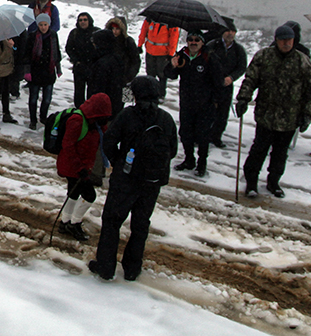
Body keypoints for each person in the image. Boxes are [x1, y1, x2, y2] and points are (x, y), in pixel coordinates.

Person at [90, 76, 177, 282]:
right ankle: (132, 268)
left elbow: (109, 142)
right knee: (140, 224)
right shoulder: (166, 119)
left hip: (126, 178)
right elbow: (172, 150)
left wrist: (119, 162)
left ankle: (105, 266)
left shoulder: (127, 115)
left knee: (112, 221)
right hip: (152, 181)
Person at [236, 25, 311, 198]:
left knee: (280, 154)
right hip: (266, 115)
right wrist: (243, 98)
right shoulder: (264, 56)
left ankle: (273, 182)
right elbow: (250, 79)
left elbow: (310, 91)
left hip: (290, 118)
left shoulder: (302, 61)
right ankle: (251, 182)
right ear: (276, 40)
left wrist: (307, 114)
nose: (286, 43)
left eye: (289, 40)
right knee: (258, 150)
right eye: (283, 40)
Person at [56, 92, 112, 241]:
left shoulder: (94, 124)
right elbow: (68, 145)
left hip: (79, 166)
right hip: (74, 166)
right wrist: (79, 168)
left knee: (73, 193)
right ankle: (74, 223)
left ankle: (65, 221)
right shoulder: (78, 121)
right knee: (89, 195)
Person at [165, 30, 222, 177]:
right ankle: (189, 159)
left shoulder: (209, 57)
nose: (193, 42)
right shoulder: (182, 55)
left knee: (203, 136)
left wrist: (216, 101)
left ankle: (202, 163)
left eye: (197, 40)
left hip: (205, 105)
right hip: (186, 102)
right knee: (185, 133)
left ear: (202, 42)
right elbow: (170, 75)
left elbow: (218, 81)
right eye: (190, 39)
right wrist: (172, 65)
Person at [206, 21, 247, 148]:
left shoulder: (238, 50)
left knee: (223, 114)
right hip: (211, 85)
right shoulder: (212, 46)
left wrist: (232, 77)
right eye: (228, 31)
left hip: (226, 85)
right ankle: (204, 135)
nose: (230, 34)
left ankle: (216, 137)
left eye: (233, 31)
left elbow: (241, 67)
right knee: (208, 111)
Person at [26, 13, 62, 129]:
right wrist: (27, 71)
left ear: (49, 25)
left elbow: (56, 53)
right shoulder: (32, 36)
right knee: (33, 99)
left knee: (46, 99)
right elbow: (26, 55)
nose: (43, 27)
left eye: (45, 24)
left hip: (49, 72)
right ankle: (33, 120)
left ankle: (43, 117)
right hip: (35, 71)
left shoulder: (53, 36)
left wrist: (58, 68)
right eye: (41, 25)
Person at [66, 12, 99, 107]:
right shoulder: (74, 33)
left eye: (85, 20)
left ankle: (90, 112)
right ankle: (79, 112)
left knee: (92, 93)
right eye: (80, 20)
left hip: (93, 67)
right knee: (79, 93)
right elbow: (69, 48)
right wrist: (76, 60)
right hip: (79, 67)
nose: (83, 22)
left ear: (89, 21)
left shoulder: (96, 32)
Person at [138, 20, 180, 94]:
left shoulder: (171, 22)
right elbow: (143, 31)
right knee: (150, 74)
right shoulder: (150, 18)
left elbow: (174, 38)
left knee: (162, 75)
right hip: (150, 51)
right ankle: (150, 92)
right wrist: (140, 44)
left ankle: (161, 93)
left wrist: (171, 53)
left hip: (163, 54)